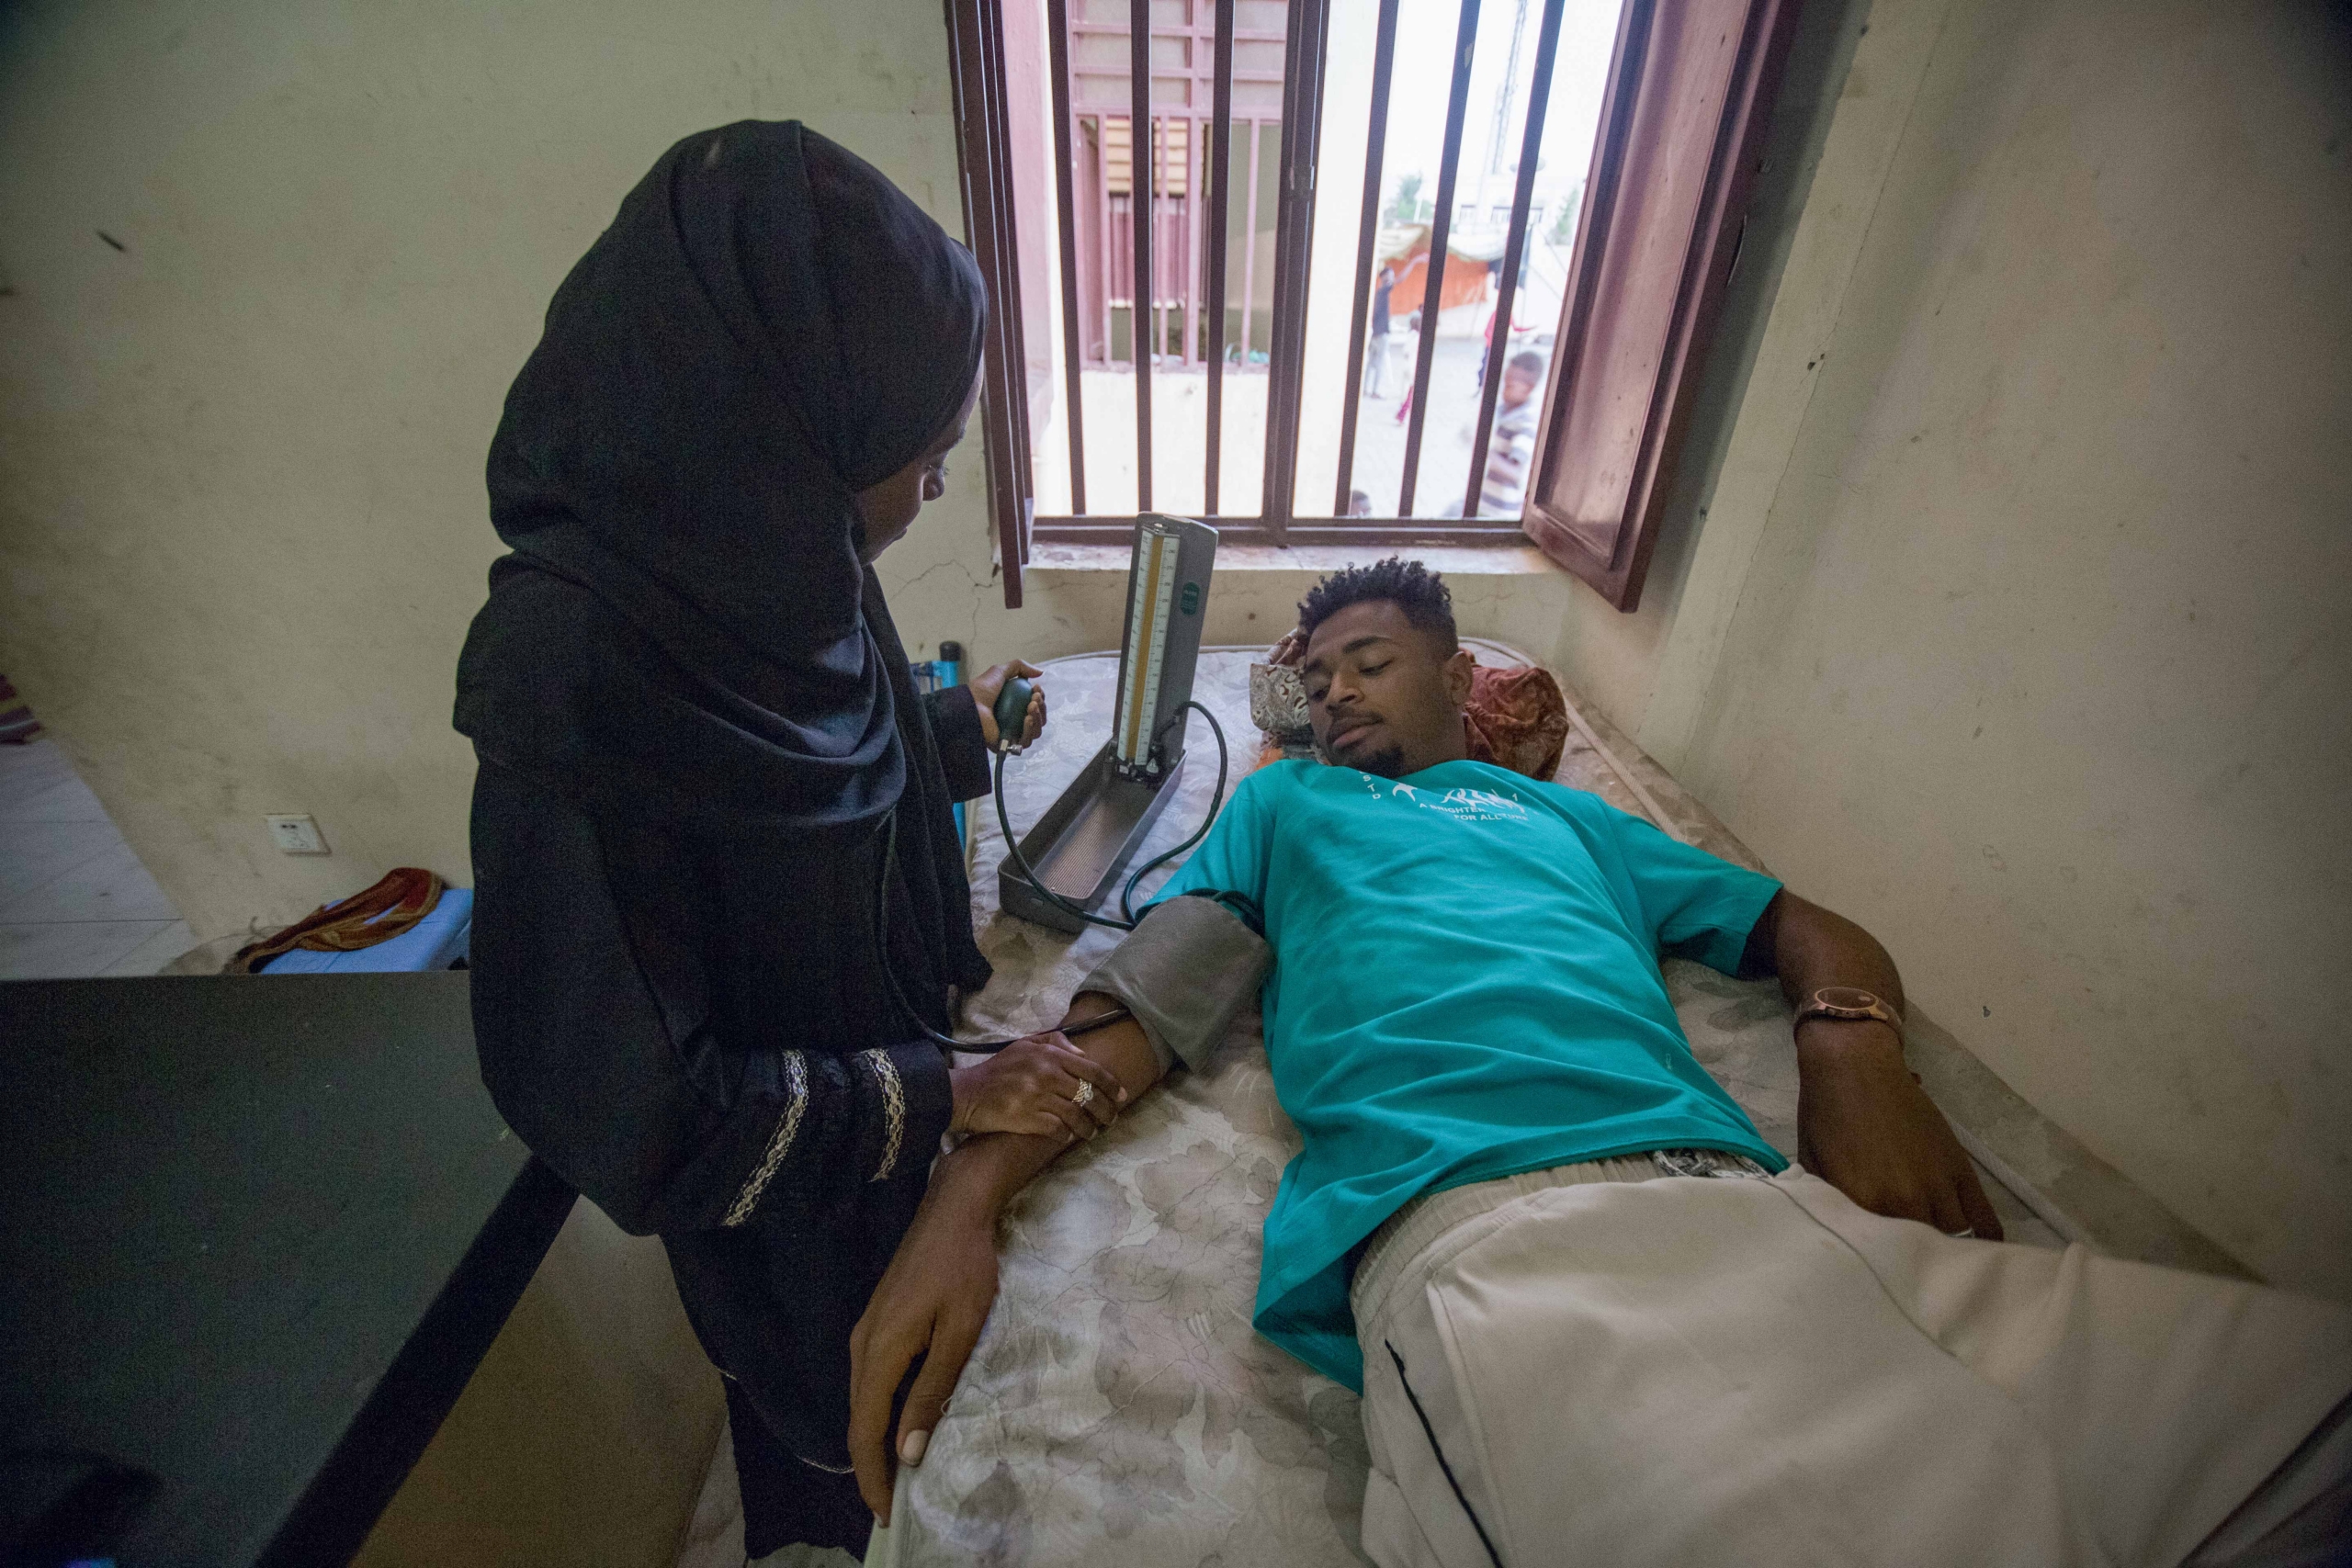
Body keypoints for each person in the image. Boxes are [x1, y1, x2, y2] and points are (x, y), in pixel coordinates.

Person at [851, 560, 2352, 1564]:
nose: (1338, 691)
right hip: (1520, 1256)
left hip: (1791, 1220)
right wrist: (965, 1197)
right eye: (1317, 676)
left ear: (1462, 676)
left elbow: (1798, 922)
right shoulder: (1288, 804)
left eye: (1371, 661)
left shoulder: (1577, 820)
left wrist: (1852, 1048)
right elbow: (1148, 996)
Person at [452, 120, 1126, 1558]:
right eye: (925, 453)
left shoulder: (772, 539)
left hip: (895, 1063)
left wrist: (954, 728)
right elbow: (631, 1106)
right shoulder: (570, 676)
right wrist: (947, 1093)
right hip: (789, 1197)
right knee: (842, 1407)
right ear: (795, 407)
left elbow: (809, 762)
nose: (932, 488)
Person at [1476, 348, 1544, 517]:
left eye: (1510, 385)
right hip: (1486, 501)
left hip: (1500, 510)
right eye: (1504, 381)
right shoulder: (1506, 411)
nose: (1503, 390)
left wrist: (1482, 449)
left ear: (1528, 388)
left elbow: (1516, 472)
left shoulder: (1525, 423)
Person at [1366, 265, 1397, 399]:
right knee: (1379, 363)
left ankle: (1365, 389)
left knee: (1371, 363)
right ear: (1384, 276)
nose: (1392, 278)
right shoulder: (1383, 291)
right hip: (1381, 333)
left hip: (1375, 332)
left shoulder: (1379, 292)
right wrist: (1414, 261)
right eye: (1390, 275)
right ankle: (1375, 391)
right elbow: (1399, 280)